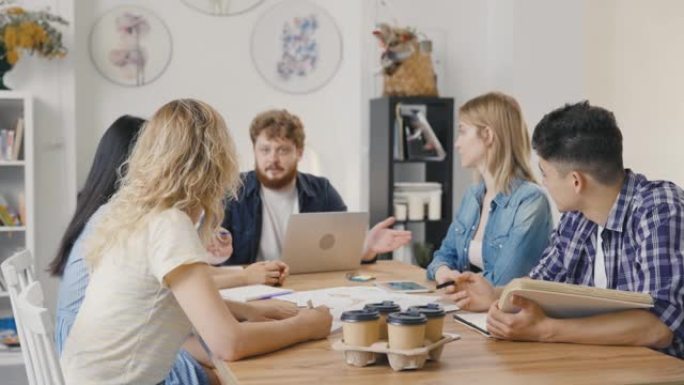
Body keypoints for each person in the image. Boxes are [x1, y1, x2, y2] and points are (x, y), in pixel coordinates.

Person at [60, 100, 332, 384]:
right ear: (214, 163)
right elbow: (228, 344)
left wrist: (250, 311)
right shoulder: (168, 224)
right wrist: (306, 325)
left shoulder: (132, 213)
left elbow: (175, 298)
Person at [448, 101, 684, 358]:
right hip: (597, 366)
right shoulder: (577, 215)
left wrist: (547, 330)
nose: (543, 183)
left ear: (575, 181)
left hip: (659, 372)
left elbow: (659, 327)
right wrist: (494, 294)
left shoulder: (659, 210)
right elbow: (540, 285)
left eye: (545, 173)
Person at [221, 109, 411, 269]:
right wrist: (213, 251)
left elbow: (345, 251)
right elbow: (212, 254)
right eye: (265, 150)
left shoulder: (322, 191)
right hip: (251, 289)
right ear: (254, 151)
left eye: (283, 150)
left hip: (310, 288)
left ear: (299, 153)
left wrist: (367, 249)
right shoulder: (233, 191)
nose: (273, 159)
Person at [426, 92, 552, 287]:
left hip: (506, 313)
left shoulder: (530, 201)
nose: (457, 143)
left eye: (463, 131)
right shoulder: (472, 196)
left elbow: (505, 281)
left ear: (487, 135)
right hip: (467, 306)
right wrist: (443, 272)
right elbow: (444, 254)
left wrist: (457, 284)